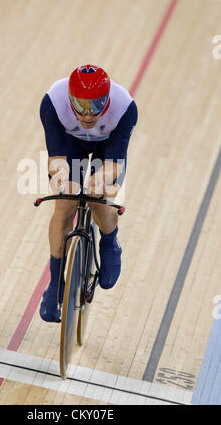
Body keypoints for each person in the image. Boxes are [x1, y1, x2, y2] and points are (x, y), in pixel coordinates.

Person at [39, 64, 138, 322]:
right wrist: (63, 180)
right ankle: (53, 286)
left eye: (96, 106)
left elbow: (114, 165)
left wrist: (100, 179)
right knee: (64, 205)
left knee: (99, 196)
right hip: (70, 143)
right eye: (80, 106)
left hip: (108, 149)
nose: (87, 115)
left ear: (107, 100)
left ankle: (109, 241)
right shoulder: (53, 102)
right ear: (69, 99)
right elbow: (57, 158)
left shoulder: (124, 107)